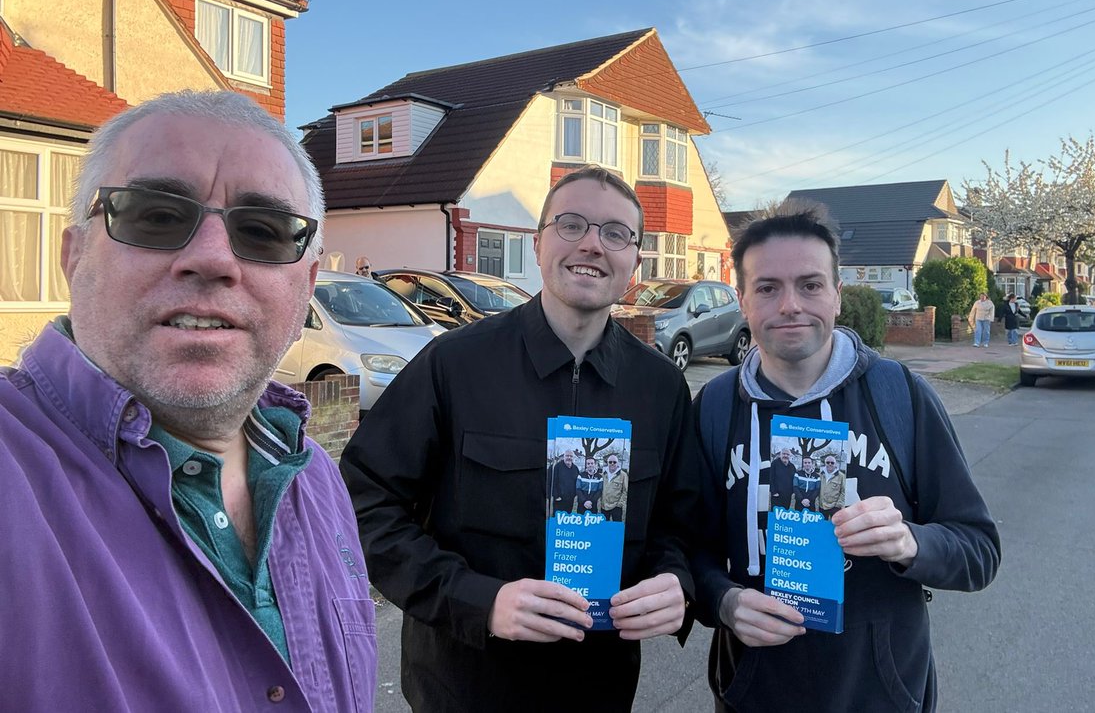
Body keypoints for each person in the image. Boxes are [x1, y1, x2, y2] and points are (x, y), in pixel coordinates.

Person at [0, 90, 375, 711]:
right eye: (154, 216)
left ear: (306, 285)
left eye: (264, 230)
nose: (211, 258)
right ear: (74, 255)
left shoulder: (313, 478)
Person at [340, 164, 699, 712]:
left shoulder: (662, 388)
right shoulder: (455, 364)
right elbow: (362, 504)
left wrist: (677, 582)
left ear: (635, 261)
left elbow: (681, 521)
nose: (592, 245)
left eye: (615, 233)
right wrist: (477, 600)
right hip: (462, 687)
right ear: (538, 243)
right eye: (571, 224)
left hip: (598, 691)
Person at [691, 207, 1000, 712]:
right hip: (754, 694)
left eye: (810, 284)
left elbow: (979, 550)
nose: (790, 305)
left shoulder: (899, 395)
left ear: (837, 293)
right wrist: (724, 601)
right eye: (767, 287)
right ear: (742, 300)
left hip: (882, 694)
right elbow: (688, 552)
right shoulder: (715, 408)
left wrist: (909, 542)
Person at [600, 452, 629, 522]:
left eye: (614, 462)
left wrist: (620, 503)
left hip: (616, 507)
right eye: (610, 462)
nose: (612, 463)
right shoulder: (603, 474)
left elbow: (625, 491)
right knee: (604, 526)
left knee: (616, 527)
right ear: (607, 463)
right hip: (604, 506)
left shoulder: (623, 475)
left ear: (617, 463)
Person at [817, 453, 846, 520]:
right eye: (828, 462)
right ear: (825, 463)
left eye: (832, 463)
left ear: (835, 464)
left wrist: (838, 504)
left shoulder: (841, 476)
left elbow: (843, 491)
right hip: (822, 506)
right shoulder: (821, 475)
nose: (830, 464)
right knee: (822, 526)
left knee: (834, 527)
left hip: (834, 507)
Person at [550, 449, 579, 514]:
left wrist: (574, 495)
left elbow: (577, 482)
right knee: (558, 519)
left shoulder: (575, 468)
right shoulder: (557, 467)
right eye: (567, 456)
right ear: (564, 456)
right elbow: (552, 482)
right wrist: (556, 496)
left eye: (571, 456)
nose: (569, 457)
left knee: (567, 518)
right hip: (559, 499)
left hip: (570, 499)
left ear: (573, 457)